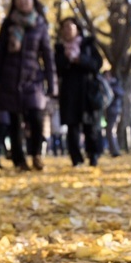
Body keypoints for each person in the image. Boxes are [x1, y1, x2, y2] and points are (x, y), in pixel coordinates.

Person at [0, 0, 55, 171]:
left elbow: (47, 55)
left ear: (33, 0)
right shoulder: (7, 24)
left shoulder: (41, 24)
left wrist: (52, 82)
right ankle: (19, 161)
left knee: (36, 117)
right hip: (9, 79)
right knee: (14, 121)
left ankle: (36, 155)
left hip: (33, 78)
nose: (22, 0)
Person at [55, 17, 103, 166]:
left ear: (77, 29)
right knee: (72, 127)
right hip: (69, 93)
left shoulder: (88, 45)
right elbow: (56, 68)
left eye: (70, 26)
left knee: (91, 126)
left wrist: (80, 60)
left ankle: (93, 154)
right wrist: (67, 60)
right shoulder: (59, 49)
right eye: (64, 27)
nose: (67, 30)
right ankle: (76, 158)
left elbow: (97, 63)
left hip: (87, 92)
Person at [105, 72, 123, 157]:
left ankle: (115, 151)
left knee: (111, 130)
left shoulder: (113, 85)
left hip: (114, 110)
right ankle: (113, 150)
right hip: (110, 111)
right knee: (110, 131)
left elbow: (120, 93)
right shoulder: (109, 84)